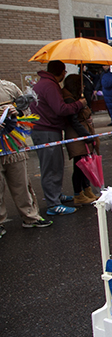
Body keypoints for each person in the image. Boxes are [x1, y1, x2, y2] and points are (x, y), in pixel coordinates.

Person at [30, 60, 88, 215]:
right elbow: (61, 109)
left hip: (44, 128)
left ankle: (55, 195)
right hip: (46, 130)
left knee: (54, 164)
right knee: (51, 166)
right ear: (62, 72)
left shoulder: (42, 84)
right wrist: (79, 104)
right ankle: (53, 204)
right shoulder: (50, 86)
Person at [0, 79, 53, 233]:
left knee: (21, 184)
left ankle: (30, 217)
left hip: (14, 145)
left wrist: (18, 112)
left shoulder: (8, 87)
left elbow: (26, 110)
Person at [61, 74, 99, 205]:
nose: (83, 86)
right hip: (77, 136)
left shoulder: (76, 99)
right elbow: (74, 121)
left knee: (85, 164)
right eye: (81, 84)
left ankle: (86, 189)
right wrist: (86, 136)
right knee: (79, 166)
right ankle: (78, 193)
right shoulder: (70, 100)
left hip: (81, 133)